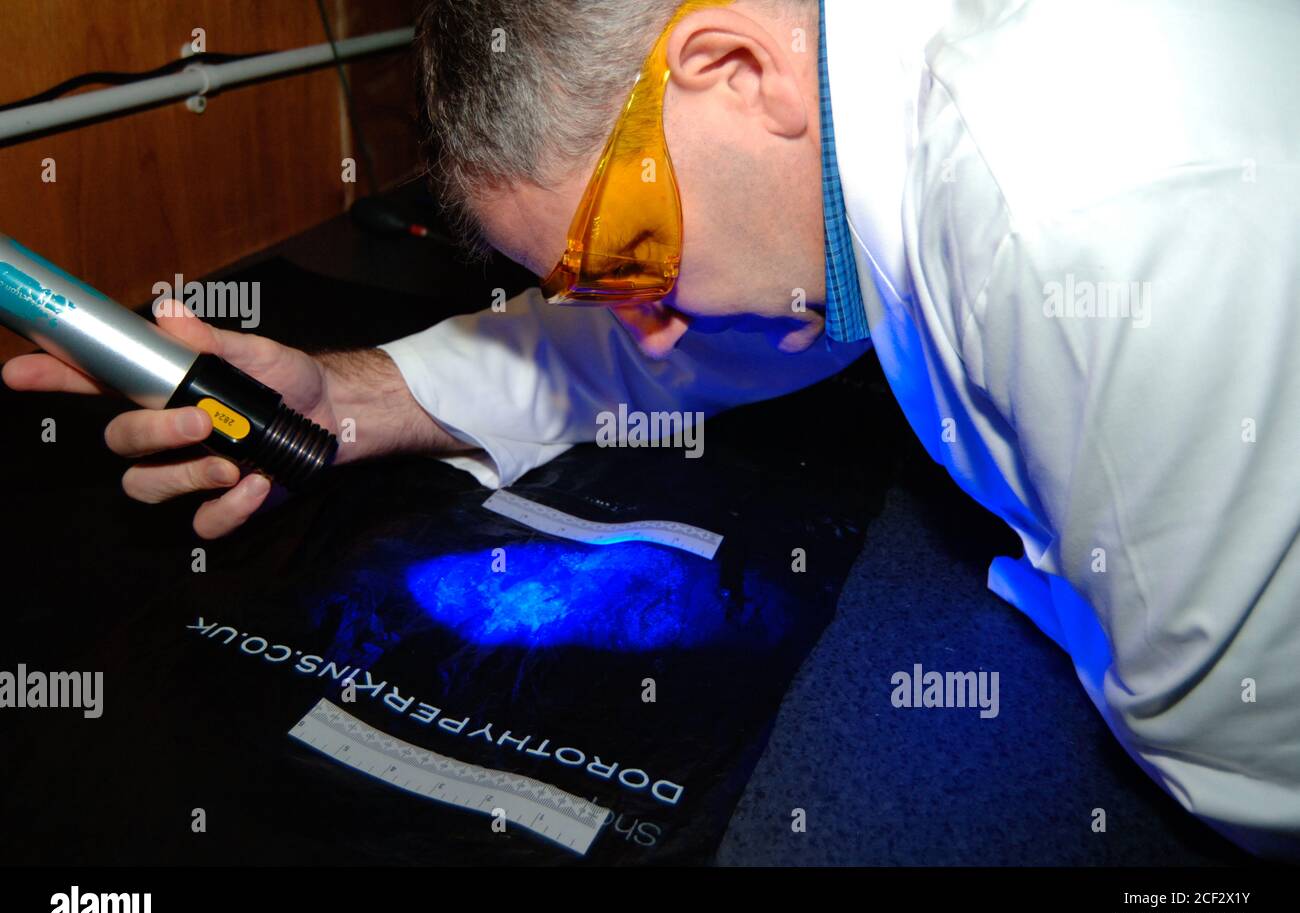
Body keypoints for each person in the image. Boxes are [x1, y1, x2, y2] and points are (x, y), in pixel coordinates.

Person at [4, 0, 1298, 858]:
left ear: (735, 67)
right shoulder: (852, 94)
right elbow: (696, 336)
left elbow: (1247, 761)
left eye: (630, 258)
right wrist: (350, 400)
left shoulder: (1096, 214)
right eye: (605, 283)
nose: (654, 328)